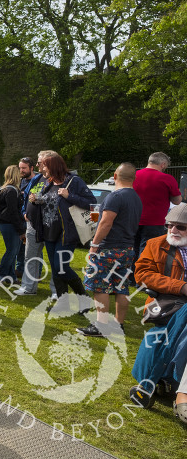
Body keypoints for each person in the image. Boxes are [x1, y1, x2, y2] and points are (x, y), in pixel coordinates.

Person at [130, 203, 187, 417]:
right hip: (164, 306)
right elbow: (142, 274)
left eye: (180, 227)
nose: (173, 230)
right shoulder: (155, 244)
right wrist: (180, 287)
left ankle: (152, 383)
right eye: (169, 225)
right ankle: (178, 391)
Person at [77, 163, 141, 337]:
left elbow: (106, 222)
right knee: (121, 287)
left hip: (108, 248)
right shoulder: (136, 197)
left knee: (100, 286)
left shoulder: (115, 197)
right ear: (133, 179)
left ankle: (101, 326)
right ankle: (118, 325)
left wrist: (94, 245)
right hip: (127, 248)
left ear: (114, 176)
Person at [28, 152, 96, 300]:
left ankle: (84, 298)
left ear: (53, 166)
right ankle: (62, 301)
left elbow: (91, 202)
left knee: (61, 268)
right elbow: (49, 201)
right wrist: (37, 200)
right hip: (49, 232)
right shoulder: (49, 182)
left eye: (43, 165)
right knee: (56, 269)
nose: (41, 169)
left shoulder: (74, 181)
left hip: (66, 234)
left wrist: (69, 196)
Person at [15, 151, 54, 296]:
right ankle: (28, 288)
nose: (37, 165)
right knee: (30, 257)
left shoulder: (61, 179)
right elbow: (27, 197)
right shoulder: (37, 179)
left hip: (51, 225)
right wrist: (25, 211)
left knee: (55, 260)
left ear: (49, 163)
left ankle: (57, 291)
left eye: (39, 162)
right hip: (33, 225)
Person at [134, 152, 182, 257]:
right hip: (154, 222)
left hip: (132, 219)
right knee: (148, 251)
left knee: (133, 249)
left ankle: (131, 272)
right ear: (163, 164)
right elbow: (177, 201)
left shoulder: (133, 175)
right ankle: (143, 273)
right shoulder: (167, 178)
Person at [0, 165, 24, 285]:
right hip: (10, 224)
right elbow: (13, 212)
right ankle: (1, 275)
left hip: (6, 223)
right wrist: (20, 229)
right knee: (11, 251)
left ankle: (11, 276)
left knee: (13, 251)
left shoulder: (5, 189)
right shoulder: (11, 191)